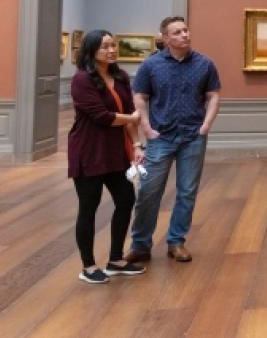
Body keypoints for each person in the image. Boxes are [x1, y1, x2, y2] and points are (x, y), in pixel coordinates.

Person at [124, 16, 221, 264]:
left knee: (187, 192)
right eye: (177, 32)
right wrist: (146, 126)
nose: (184, 35)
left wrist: (206, 125)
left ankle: (176, 241)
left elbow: (213, 96)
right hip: (161, 137)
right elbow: (140, 97)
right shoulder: (151, 65)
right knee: (148, 191)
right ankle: (141, 244)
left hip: (193, 136)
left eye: (186, 30)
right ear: (165, 38)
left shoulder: (205, 64)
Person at [68, 30, 147, 283]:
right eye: (105, 47)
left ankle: (115, 259)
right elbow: (101, 116)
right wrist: (133, 118)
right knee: (88, 208)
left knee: (126, 199)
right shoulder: (82, 79)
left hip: (115, 151)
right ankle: (88, 267)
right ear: (91, 51)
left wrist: (136, 144)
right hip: (89, 150)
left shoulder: (121, 77)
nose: (112, 50)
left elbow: (128, 111)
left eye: (114, 46)